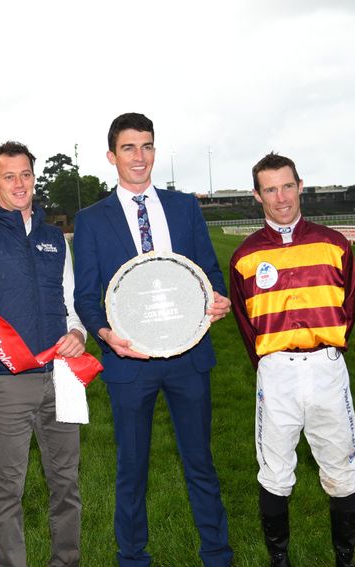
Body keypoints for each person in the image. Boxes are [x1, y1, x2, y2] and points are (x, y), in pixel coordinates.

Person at [72, 112, 234, 566]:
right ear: (112, 156)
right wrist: (106, 335)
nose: (139, 157)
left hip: (188, 357)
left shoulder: (185, 207)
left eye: (146, 146)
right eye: (129, 147)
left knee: (200, 463)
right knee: (131, 470)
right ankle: (132, 557)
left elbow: (209, 274)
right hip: (127, 363)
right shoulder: (91, 221)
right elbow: (86, 295)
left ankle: (218, 554)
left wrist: (217, 300)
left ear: (155, 152)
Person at [0, 141, 87, 567]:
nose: (19, 183)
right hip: (6, 382)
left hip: (61, 377)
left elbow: (70, 301)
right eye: (9, 176)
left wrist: (79, 332)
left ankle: (66, 561)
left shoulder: (54, 239)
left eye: (25, 174)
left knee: (66, 484)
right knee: (10, 489)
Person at [229, 153, 355, 567]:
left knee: (340, 471)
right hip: (277, 373)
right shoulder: (245, 256)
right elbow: (246, 324)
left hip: (327, 368)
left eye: (287, 186)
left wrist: (325, 349)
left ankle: (345, 559)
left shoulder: (334, 244)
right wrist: (275, 362)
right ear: (257, 195)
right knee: (275, 472)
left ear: (301, 186)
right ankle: (279, 560)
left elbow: (348, 308)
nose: (280, 197)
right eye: (270, 189)